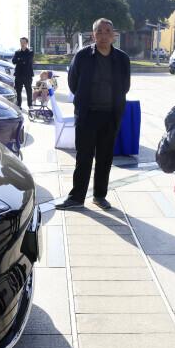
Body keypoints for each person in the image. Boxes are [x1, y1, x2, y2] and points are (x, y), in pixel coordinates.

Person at [55, 18, 130, 211]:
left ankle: (99, 196)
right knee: (84, 157)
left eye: (107, 31)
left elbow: (125, 86)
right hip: (87, 115)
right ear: (93, 35)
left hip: (110, 116)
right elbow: (73, 82)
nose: (104, 35)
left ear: (114, 35)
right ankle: (76, 197)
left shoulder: (122, 59)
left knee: (105, 158)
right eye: (99, 32)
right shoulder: (82, 56)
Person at [12, 37, 35, 108]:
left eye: (24, 42)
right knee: (18, 91)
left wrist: (19, 59)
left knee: (29, 90)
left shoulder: (30, 52)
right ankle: (19, 105)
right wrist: (22, 60)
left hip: (27, 75)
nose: (22, 44)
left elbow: (27, 61)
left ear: (27, 43)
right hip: (18, 74)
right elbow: (13, 61)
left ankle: (30, 105)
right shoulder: (17, 52)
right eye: (21, 42)